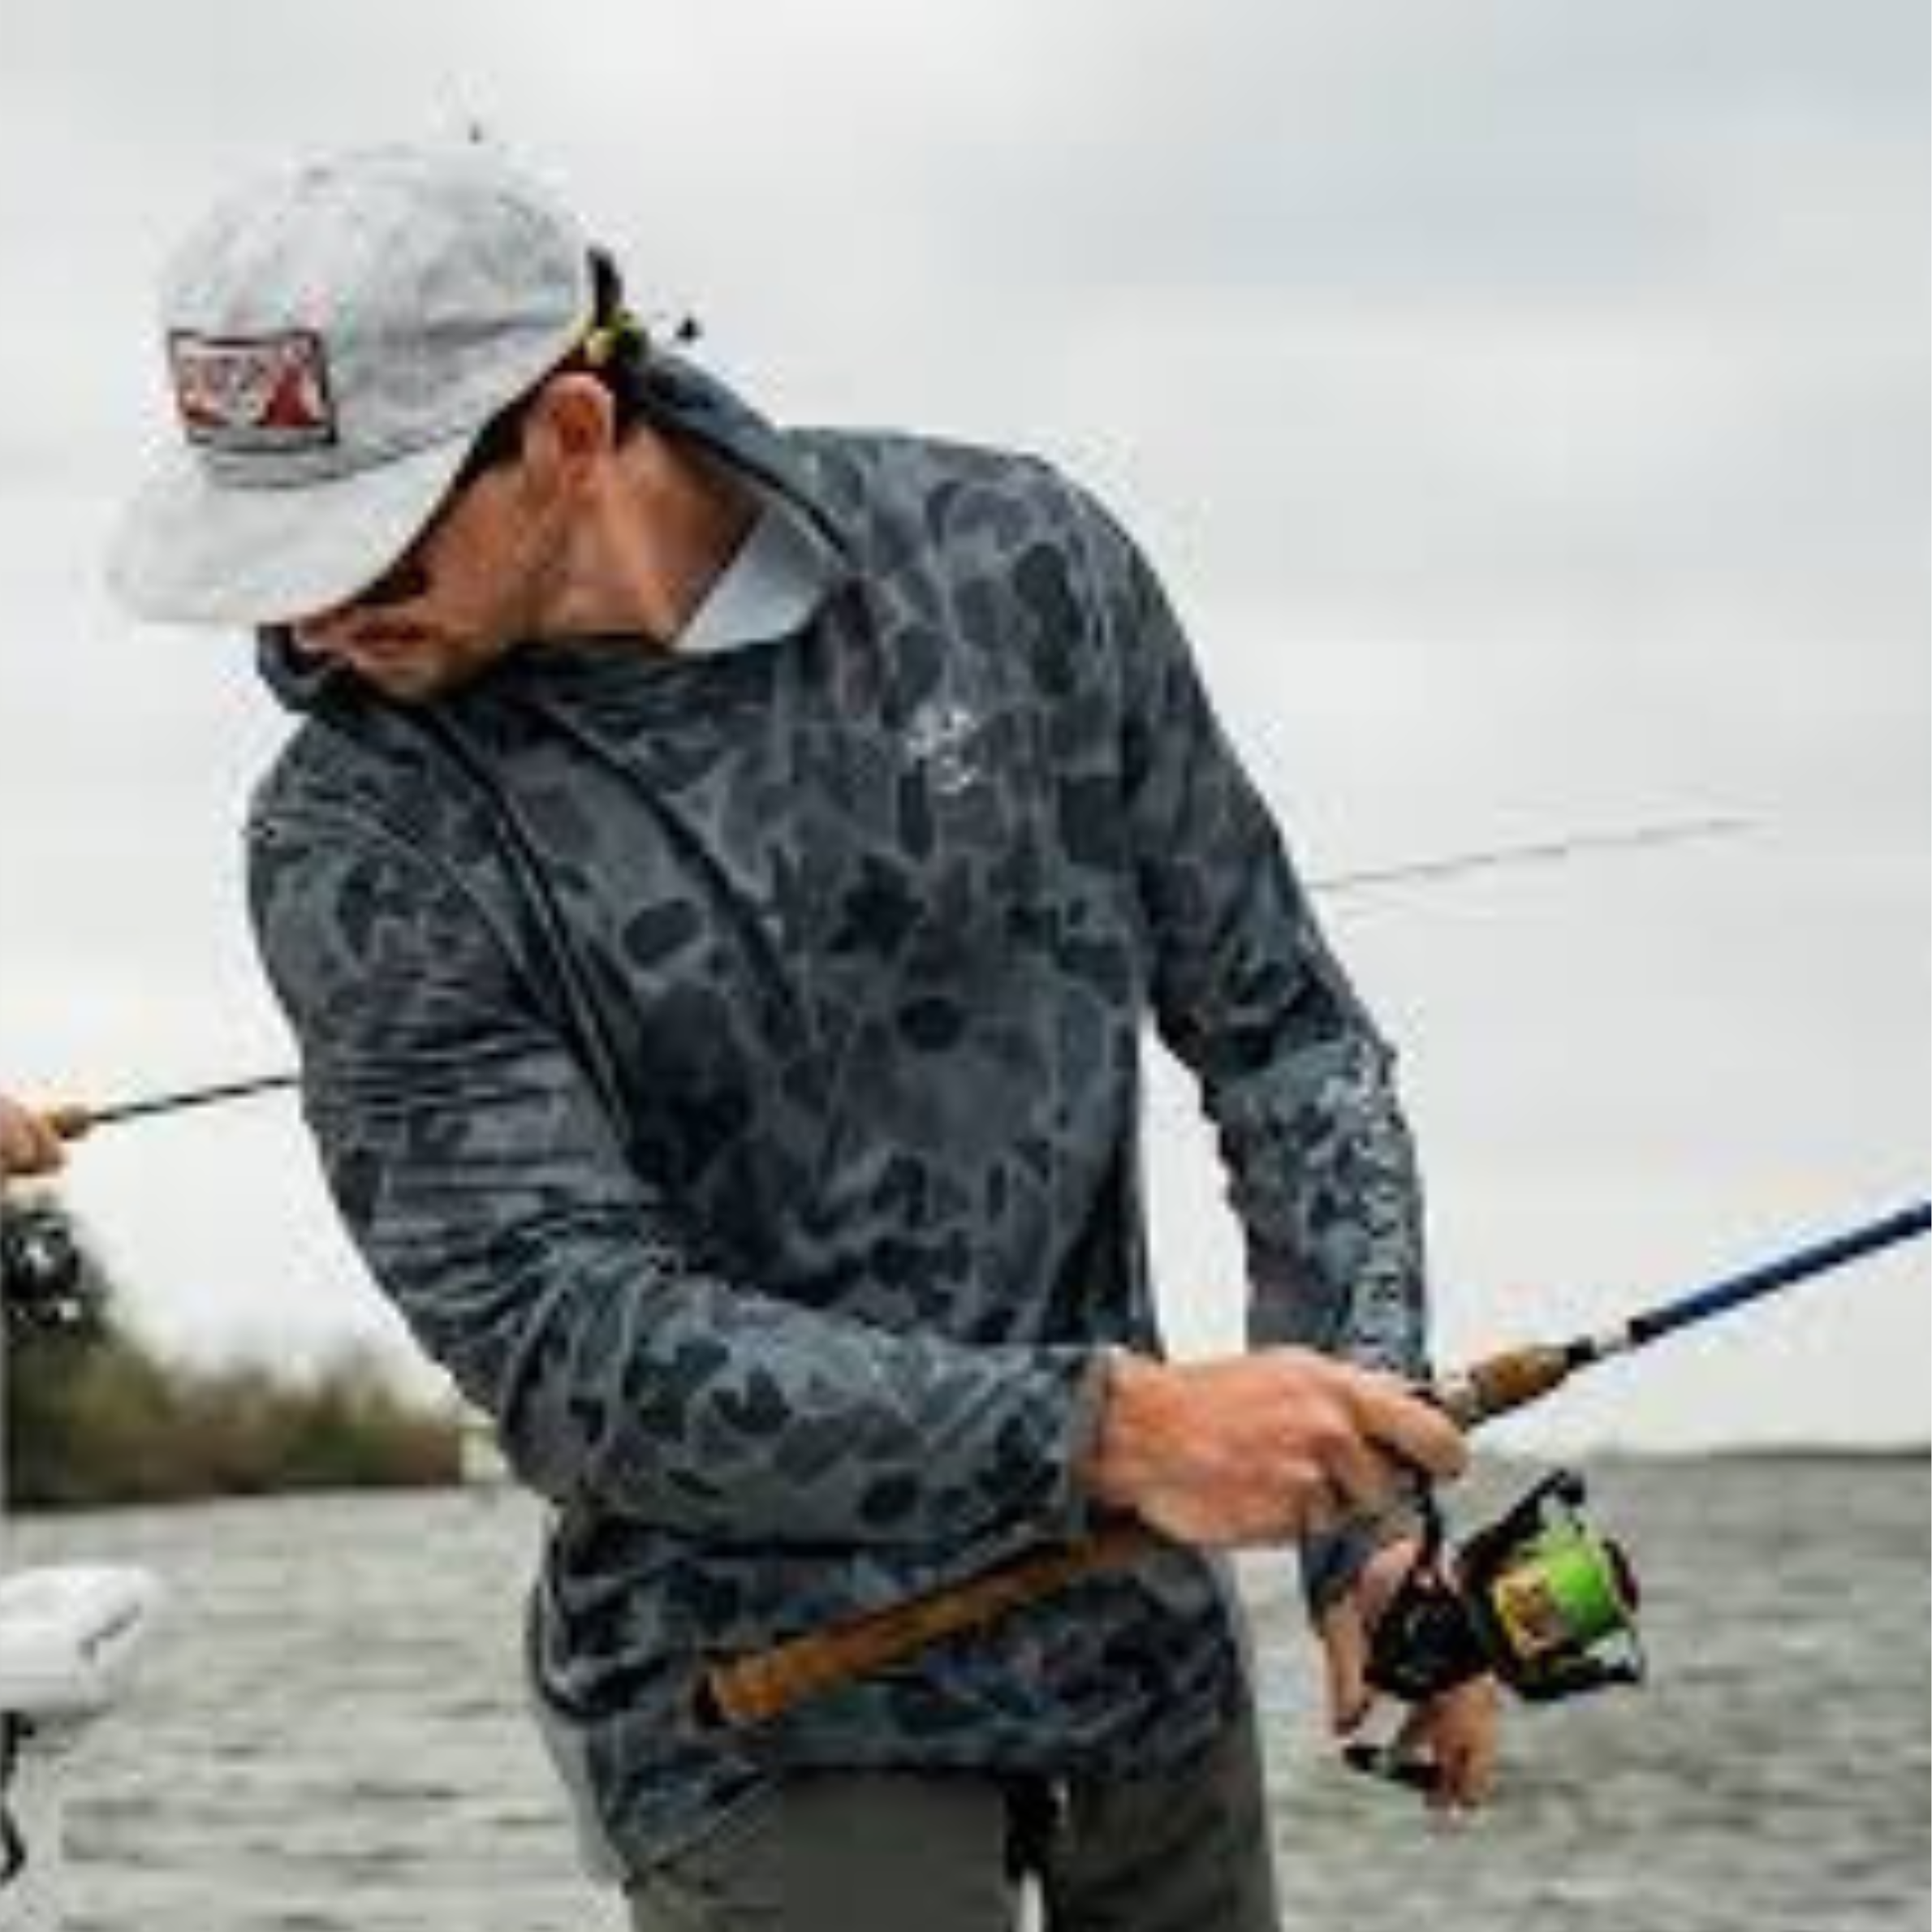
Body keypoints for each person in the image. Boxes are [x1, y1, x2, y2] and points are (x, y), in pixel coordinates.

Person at [107, 140, 1496, 1931]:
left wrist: (1362, 1510)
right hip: (749, 1716)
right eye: (264, 553)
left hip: (1141, 1677)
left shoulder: (1019, 563)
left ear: (572, 431)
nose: (308, 614)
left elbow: (1287, 1039)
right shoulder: (356, 835)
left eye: (363, 538)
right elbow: (573, 1346)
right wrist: (1111, 1431)